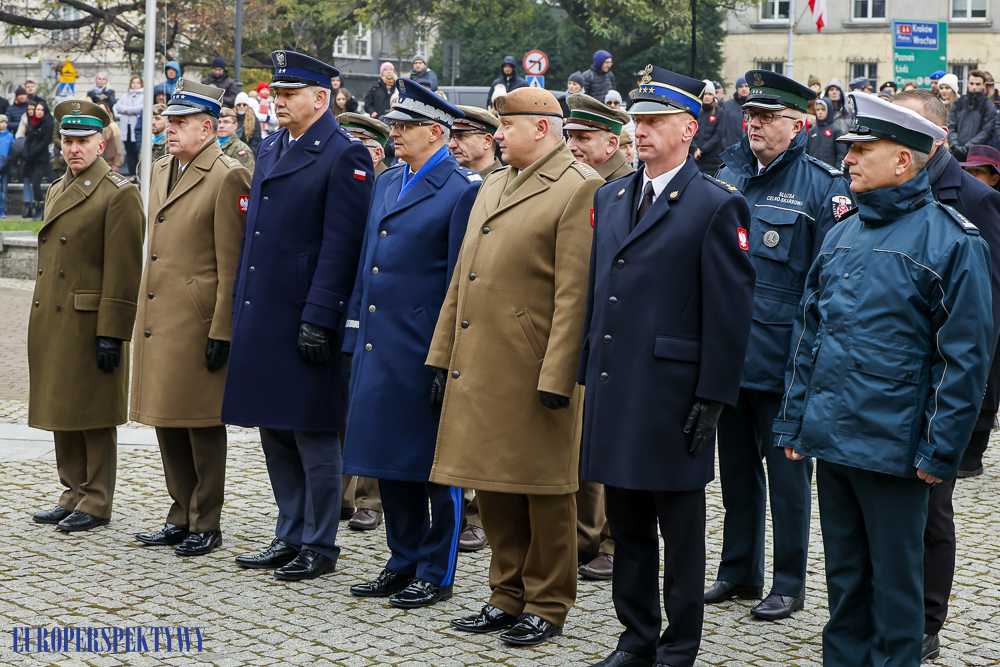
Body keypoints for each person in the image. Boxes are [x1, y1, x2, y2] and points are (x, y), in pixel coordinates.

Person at [775, 90, 992, 667]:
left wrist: (939, 452)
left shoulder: (953, 241)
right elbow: (810, 338)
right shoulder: (841, 234)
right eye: (850, 149)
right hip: (834, 447)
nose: (848, 160)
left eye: (863, 149)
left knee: (898, 597)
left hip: (895, 454)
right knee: (846, 588)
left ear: (904, 159)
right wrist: (796, 424)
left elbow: (965, 360)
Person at [581, 65, 755, 667]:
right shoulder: (611, 195)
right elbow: (600, 290)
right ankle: (636, 637)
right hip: (615, 386)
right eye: (638, 120)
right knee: (626, 526)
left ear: (689, 130)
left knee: (679, 535)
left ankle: (679, 644)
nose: (642, 131)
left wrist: (713, 398)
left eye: (656, 121)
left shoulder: (714, 205)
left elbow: (730, 314)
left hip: (674, 395)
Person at [429, 87, 602, 646]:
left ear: (543, 128)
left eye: (507, 125)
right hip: (482, 361)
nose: (496, 135)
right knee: (494, 484)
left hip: (535, 367)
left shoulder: (580, 187)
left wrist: (559, 374)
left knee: (546, 491)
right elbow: (464, 276)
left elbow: (576, 294)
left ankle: (547, 603)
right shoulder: (496, 184)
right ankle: (505, 595)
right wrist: (440, 355)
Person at [224, 51, 373, 581]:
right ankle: (288, 531)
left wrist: (321, 316)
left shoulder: (344, 154)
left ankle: (320, 542)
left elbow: (342, 245)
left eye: (289, 94)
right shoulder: (270, 145)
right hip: (264, 309)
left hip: (306, 314)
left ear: (321, 97)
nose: (278, 102)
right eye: (276, 94)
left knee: (312, 431)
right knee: (274, 428)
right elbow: (256, 238)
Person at [712, 69, 853, 621]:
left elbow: (829, 285)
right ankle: (737, 570)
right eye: (751, 115)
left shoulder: (823, 186)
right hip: (728, 355)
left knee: (789, 479)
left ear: (799, 123)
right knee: (735, 472)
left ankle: (789, 581)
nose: (754, 124)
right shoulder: (726, 174)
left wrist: (811, 362)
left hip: (785, 361)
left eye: (768, 118)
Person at [342, 79, 480, 608]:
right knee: (388, 459)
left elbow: (458, 282)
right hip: (381, 342)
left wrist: (446, 358)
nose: (393, 133)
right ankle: (400, 560)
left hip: (423, 347)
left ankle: (435, 570)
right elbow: (366, 262)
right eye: (394, 125)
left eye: (404, 126)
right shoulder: (387, 180)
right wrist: (355, 329)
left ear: (437, 133)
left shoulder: (460, 188)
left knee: (430, 466)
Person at [892, 89, 1000, 663]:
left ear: (932, 137)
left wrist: (972, 406)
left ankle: (929, 618)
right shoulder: (879, 190)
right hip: (884, 385)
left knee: (932, 511)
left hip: (937, 388)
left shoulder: (976, 200)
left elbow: (986, 312)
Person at [131, 80, 251, 557]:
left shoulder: (227, 175)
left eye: (180, 122)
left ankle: (206, 520)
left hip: (199, 319)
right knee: (166, 417)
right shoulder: (162, 168)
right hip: (162, 314)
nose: (169, 128)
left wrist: (222, 328)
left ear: (208, 127)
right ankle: (179, 511)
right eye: (168, 120)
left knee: (200, 424)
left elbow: (232, 262)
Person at [28, 99, 144, 532]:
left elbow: (124, 268)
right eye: (68, 140)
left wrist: (112, 332)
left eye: (83, 141)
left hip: (91, 321)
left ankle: (95, 500)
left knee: (93, 413)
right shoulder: (59, 188)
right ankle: (72, 491)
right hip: (55, 318)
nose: (74, 148)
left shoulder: (119, 193)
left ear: (102, 142)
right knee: (62, 407)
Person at [566, 93, 632, 184]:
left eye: (583, 138)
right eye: (570, 136)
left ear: (611, 144)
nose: (570, 146)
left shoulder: (629, 184)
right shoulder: (574, 175)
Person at [946, 70, 997, 161]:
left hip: (978, 155)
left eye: (978, 84)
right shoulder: (958, 103)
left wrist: (969, 147)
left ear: (983, 85)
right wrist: (954, 145)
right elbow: (951, 126)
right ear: (968, 83)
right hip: (956, 154)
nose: (974, 87)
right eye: (972, 83)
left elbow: (987, 131)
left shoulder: (988, 105)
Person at [449, 105, 502, 180]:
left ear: (487, 141)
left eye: (461, 136)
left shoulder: (505, 183)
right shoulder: (450, 179)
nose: (451, 145)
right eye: (450, 137)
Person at [23, 100, 54, 221]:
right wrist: (25, 154)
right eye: (38, 110)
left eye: (42, 110)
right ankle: (36, 207)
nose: (39, 112)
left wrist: (31, 153)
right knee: (31, 183)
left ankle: (41, 209)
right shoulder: (32, 123)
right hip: (31, 159)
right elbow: (28, 139)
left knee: (36, 183)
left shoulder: (48, 124)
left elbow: (45, 142)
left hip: (41, 158)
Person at [114, 75, 144, 176]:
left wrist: (128, 110)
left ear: (141, 84)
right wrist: (127, 110)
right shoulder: (125, 95)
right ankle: (132, 173)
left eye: (137, 82)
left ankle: (138, 173)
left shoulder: (144, 95)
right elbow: (118, 106)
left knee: (137, 150)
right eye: (133, 82)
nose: (135, 84)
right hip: (126, 127)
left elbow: (142, 107)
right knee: (129, 151)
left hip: (136, 127)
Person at [693, 79, 724, 174]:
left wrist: (702, 150)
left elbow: (718, 135)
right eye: (705, 94)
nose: (707, 97)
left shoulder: (720, 112)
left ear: (713, 96)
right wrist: (694, 149)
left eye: (710, 94)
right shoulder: (694, 111)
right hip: (694, 156)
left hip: (712, 158)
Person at [807, 98, 848, 167]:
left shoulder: (837, 131)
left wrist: (837, 173)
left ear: (829, 110)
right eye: (818, 109)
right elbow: (806, 152)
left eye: (823, 109)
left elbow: (841, 154)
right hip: (813, 171)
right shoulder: (811, 131)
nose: (820, 112)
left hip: (830, 172)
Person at [217, 108, 255, 173]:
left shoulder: (241, 149)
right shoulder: (211, 145)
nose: (221, 126)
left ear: (236, 125)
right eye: (219, 122)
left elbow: (248, 177)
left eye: (226, 122)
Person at [719, 76, 750, 150]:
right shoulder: (727, 105)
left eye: (746, 86)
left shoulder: (755, 106)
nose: (744, 89)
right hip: (730, 148)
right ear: (737, 89)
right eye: (741, 86)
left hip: (750, 148)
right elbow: (721, 128)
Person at [137, 103, 169, 168]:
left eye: (158, 119)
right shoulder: (148, 140)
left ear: (167, 122)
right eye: (151, 118)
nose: (153, 122)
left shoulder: (170, 143)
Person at [97, 98, 124, 173]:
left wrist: (116, 164)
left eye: (103, 110)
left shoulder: (112, 126)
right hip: (96, 163)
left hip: (109, 163)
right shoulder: (92, 126)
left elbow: (118, 146)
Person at [0, 115, 13, 217]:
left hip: (5, 166)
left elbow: (12, 151)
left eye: (5, 122)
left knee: (4, 188)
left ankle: (2, 209)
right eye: (1, 122)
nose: (3, 125)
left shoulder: (10, 136)